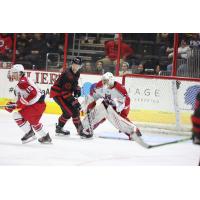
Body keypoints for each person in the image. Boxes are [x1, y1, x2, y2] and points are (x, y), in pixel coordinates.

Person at [81, 72, 141, 140]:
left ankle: (134, 132)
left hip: (120, 108)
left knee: (117, 120)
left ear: (111, 80)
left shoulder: (120, 89)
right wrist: (87, 105)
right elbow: (93, 96)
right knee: (99, 111)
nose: (103, 82)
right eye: (103, 80)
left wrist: (121, 108)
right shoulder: (100, 85)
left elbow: (127, 101)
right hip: (107, 104)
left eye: (106, 81)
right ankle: (85, 127)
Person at [5, 64, 52, 144]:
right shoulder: (23, 81)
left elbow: (33, 93)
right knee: (34, 122)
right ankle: (45, 137)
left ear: (20, 73)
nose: (12, 75)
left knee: (16, 115)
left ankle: (30, 133)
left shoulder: (23, 82)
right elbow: (24, 99)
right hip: (38, 105)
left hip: (36, 105)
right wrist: (12, 105)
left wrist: (18, 104)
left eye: (14, 73)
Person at [50, 56, 92, 138]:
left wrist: (77, 89)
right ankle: (81, 131)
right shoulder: (67, 74)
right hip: (58, 94)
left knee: (67, 112)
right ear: (72, 64)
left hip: (63, 94)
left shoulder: (77, 73)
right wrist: (74, 102)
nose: (75, 66)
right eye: (74, 64)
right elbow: (64, 92)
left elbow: (74, 84)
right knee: (74, 112)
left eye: (78, 65)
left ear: (80, 66)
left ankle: (59, 129)